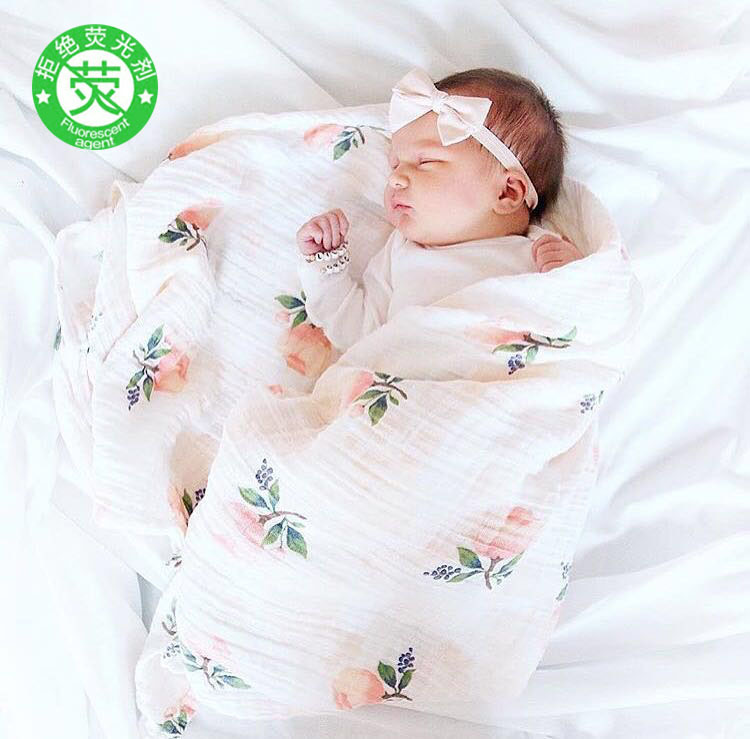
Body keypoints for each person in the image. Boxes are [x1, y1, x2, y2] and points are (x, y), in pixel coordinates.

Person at [296, 66, 584, 354]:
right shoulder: (400, 252)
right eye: (395, 165)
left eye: (425, 162)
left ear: (507, 192)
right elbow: (357, 332)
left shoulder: (542, 256)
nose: (395, 178)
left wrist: (577, 279)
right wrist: (326, 266)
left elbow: (584, 337)